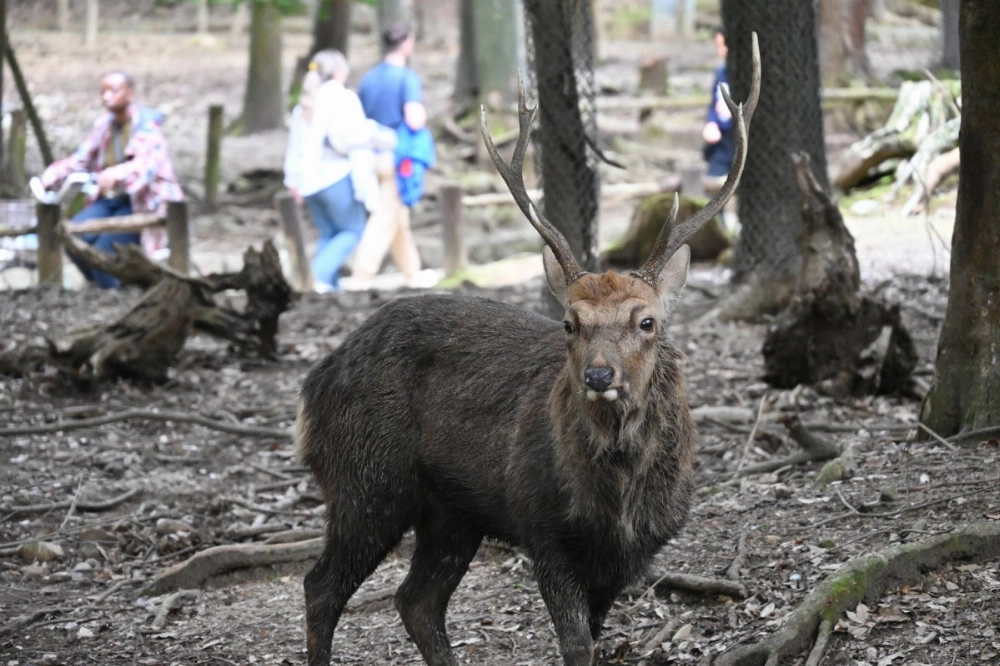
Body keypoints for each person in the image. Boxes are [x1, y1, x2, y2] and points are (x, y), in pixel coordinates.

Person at [40, 71, 183, 288]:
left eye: (113, 91)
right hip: (109, 199)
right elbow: (82, 157)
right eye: (103, 91)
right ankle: (96, 285)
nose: (107, 97)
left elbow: (145, 167)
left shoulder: (148, 127)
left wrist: (117, 173)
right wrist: (55, 173)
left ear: (130, 94)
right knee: (72, 236)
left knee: (106, 249)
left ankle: (115, 292)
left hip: (141, 201)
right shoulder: (104, 126)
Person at [283, 50, 395, 292]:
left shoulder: (303, 107)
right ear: (337, 72)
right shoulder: (341, 98)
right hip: (334, 177)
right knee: (351, 230)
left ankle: (328, 288)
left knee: (329, 234)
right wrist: (383, 138)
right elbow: (349, 137)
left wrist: (293, 180)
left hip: (308, 182)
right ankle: (315, 278)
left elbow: (294, 148)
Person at [352, 22, 433, 289]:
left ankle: (412, 273)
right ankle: (361, 275)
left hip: (372, 155)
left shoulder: (369, 78)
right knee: (385, 217)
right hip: (397, 157)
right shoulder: (407, 78)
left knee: (398, 218)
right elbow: (414, 118)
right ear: (407, 43)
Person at [702, 27, 734, 186]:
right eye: (719, 46)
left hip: (737, 139)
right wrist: (712, 122)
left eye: (725, 46)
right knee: (713, 187)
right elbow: (714, 102)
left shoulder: (743, 75)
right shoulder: (721, 71)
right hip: (720, 142)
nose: (722, 51)